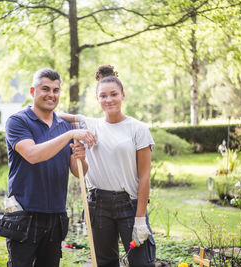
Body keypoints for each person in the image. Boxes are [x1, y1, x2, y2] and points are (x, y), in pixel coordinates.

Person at [60, 65, 156, 267]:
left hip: (129, 204)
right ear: (97, 99)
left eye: (113, 94)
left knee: (141, 263)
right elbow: (56, 116)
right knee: (105, 262)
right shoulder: (89, 124)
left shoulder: (138, 129)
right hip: (98, 204)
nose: (108, 99)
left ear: (123, 95)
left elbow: (145, 177)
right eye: (102, 96)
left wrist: (140, 219)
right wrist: (73, 133)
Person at [0, 68, 97, 267]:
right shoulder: (18, 121)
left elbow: (78, 171)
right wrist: (70, 135)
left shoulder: (65, 126)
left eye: (56, 90)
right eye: (45, 89)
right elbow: (33, 155)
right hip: (25, 214)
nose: (51, 95)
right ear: (33, 91)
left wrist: (81, 158)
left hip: (56, 215)